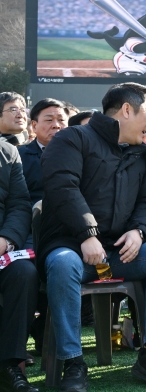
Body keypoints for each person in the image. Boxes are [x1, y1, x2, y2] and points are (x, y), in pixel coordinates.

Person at [39, 82, 146, 391]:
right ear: (127, 110)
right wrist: (86, 234)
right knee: (62, 264)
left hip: (115, 253)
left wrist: (139, 231)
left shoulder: (142, 153)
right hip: (72, 248)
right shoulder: (72, 138)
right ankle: (73, 363)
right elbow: (62, 186)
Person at [0, 140, 40, 392]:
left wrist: (6, 239)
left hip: (1, 246)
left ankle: (10, 364)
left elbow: (19, 204)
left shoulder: (7, 152)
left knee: (24, 273)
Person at [19, 98, 68, 207]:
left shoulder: (81, 155)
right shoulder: (19, 156)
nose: (56, 125)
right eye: (49, 120)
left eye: (61, 120)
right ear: (34, 126)